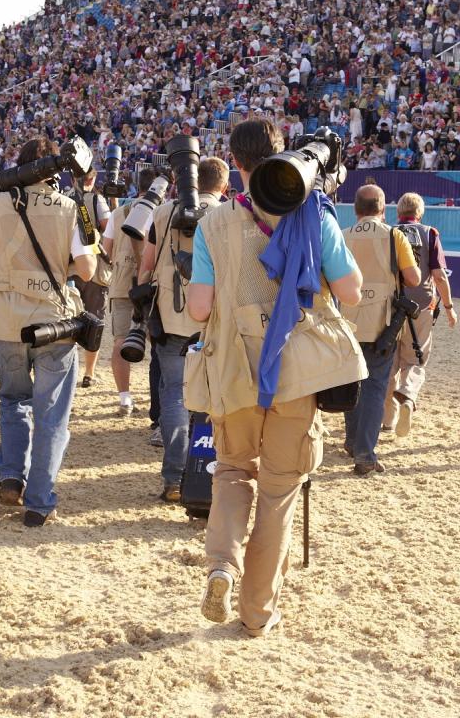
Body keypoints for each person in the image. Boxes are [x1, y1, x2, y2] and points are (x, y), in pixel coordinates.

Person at [186, 118, 363, 636]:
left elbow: (199, 309)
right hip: (296, 369)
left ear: (235, 164)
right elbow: (351, 292)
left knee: (233, 471)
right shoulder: (314, 214)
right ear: (283, 152)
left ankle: (222, 563)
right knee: (280, 489)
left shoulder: (213, 222)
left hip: (232, 368)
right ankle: (257, 612)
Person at [0, 138, 97, 526]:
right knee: (52, 415)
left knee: (12, 401)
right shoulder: (71, 207)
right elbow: (88, 271)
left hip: (6, 320)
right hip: (54, 323)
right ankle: (39, 501)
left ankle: (10, 477)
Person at [139, 150, 227, 501]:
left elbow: (146, 265)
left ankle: (174, 477)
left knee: (174, 394)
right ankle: (207, 475)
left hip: (171, 314)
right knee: (215, 396)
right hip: (215, 319)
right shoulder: (228, 215)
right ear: (223, 185)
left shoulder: (164, 212)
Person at [340, 184, 420, 475]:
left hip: (346, 319)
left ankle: (351, 440)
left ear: (356, 210)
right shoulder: (393, 235)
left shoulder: (343, 236)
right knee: (375, 386)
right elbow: (412, 279)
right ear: (383, 209)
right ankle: (364, 453)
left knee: (352, 381)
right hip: (382, 323)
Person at [383, 193, 458, 437]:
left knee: (389, 362)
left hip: (391, 305)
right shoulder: (430, 233)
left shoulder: (387, 232)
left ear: (398, 212)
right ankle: (408, 394)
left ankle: (388, 420)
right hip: (422, 305)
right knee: (415, 358)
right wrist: (448, 307)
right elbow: (438, 275)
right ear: (420, 212)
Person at [103, 183, 145, 417]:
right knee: (161, 345)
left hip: (122, 283)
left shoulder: (119, 213)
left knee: (120, 341)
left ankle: (125, 398)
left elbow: (106, 250)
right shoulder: (162, 210)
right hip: (153, 284)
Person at [70, 168, 110, 388]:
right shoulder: (97, 200)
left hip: (69, 267)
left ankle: (72, 368)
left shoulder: (64, 197)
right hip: (94, 268)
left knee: (70, 320)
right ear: (93, 179)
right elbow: (108, 227)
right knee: (95, 320)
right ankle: (89, 372)